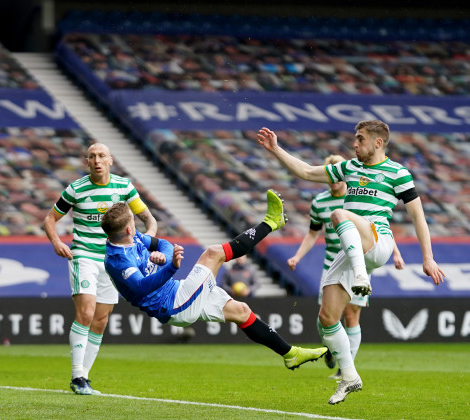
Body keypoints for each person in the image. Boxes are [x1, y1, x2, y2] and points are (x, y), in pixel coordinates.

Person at [256, 121, 446, 404]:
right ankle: (349, 377)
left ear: (378, 143)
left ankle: (361, 277)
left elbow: (418, 216)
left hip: (378, 240)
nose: (354, 145)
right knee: (327, 317)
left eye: (360, 139)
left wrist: (427, 257)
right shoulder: (348, 168)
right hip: (351, 250)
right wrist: (275, 149)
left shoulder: (399, 173)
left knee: (338, 216)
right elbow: (307, 171)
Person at [101, 190, 328, 373]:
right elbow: (141, 287)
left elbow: (164, 245)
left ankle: (290, 354)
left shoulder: (131, 237)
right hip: (173, 305)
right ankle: (270, 222)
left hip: (176, 292)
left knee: (241, 310)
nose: (137, 225)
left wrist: (163, 255)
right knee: (213, 253)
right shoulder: (118, 260)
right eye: (134, 221)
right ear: (130, 227)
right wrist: (170, 266)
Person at [43, 143, 158, 396]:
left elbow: (149, 219)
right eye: (92, 156)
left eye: (101, 156)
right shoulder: (76, 189)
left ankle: (84, 377)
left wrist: (147, 241)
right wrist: (56, 242)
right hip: (83, 256)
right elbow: (50, 218)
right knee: (86, 312)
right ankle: (77, 376)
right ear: (87, 162)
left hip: (112, 260)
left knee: (101, 320)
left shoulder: (124, 187)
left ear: (110, 161)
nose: (97, 160)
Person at [286, 154, 406, 380]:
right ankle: (332, 349)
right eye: (331, 178)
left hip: (359, 261)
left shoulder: (357, 198)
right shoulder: (319, 202)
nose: (334, 182)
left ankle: (345, 369)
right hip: (332, 262)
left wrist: (396, 254)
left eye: (338, 178)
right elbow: (313, 234)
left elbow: (378, 227)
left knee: (351, 315)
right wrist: (297, 256)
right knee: (325, 318)